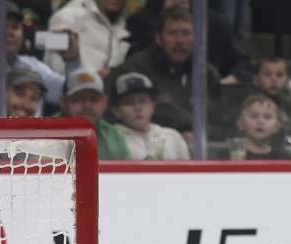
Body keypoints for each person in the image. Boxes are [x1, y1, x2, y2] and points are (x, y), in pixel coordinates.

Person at [111, 5, 197, 134]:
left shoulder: (206, 73)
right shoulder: (133, 69)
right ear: (158, 38)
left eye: (186, 33)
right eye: (172, 33)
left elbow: (220, 122)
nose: (179, 41)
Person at [0, 2, 68, 109]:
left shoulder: (31, 65)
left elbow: (67, 91)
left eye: (15, 27)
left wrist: (71, 59)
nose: (10, 32)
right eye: (1, 26)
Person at [111, 71, 190, 160]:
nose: (138, 108)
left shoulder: (172, 137)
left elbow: (189, 172)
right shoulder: (110, 139)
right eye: (129, 102)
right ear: (116, 111)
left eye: (143, 101)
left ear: (153, 106)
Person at [45, 0, 131, 77]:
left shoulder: (126, 22)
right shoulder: (65, 16)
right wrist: (90, 79)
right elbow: (55, 66)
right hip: (76, 89)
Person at [60, 68, 131, 160]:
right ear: (63, 102)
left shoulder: (114, 136)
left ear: (105, 102)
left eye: (94, 99)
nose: (87, 106)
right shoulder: (46, 133)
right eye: (78, 99)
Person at [229, 93, 291, 160]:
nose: (260, 121)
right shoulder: (229, 156)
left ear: (277, 126)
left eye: (267, 117)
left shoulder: (284, 159)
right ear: (241, 123)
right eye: (254, 116)